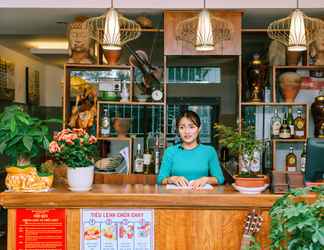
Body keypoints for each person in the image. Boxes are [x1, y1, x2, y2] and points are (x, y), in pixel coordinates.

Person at [157, 110, 224, 189]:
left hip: (202, 198)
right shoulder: (170, 151)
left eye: (191, 127)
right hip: (176, 198)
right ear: (178, 130)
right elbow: (160, 179)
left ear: (199, 129)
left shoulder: (209, 151)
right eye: (182, 127)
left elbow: (220, 178)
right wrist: (172, 179)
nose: (187, 131)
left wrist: (206, 179)